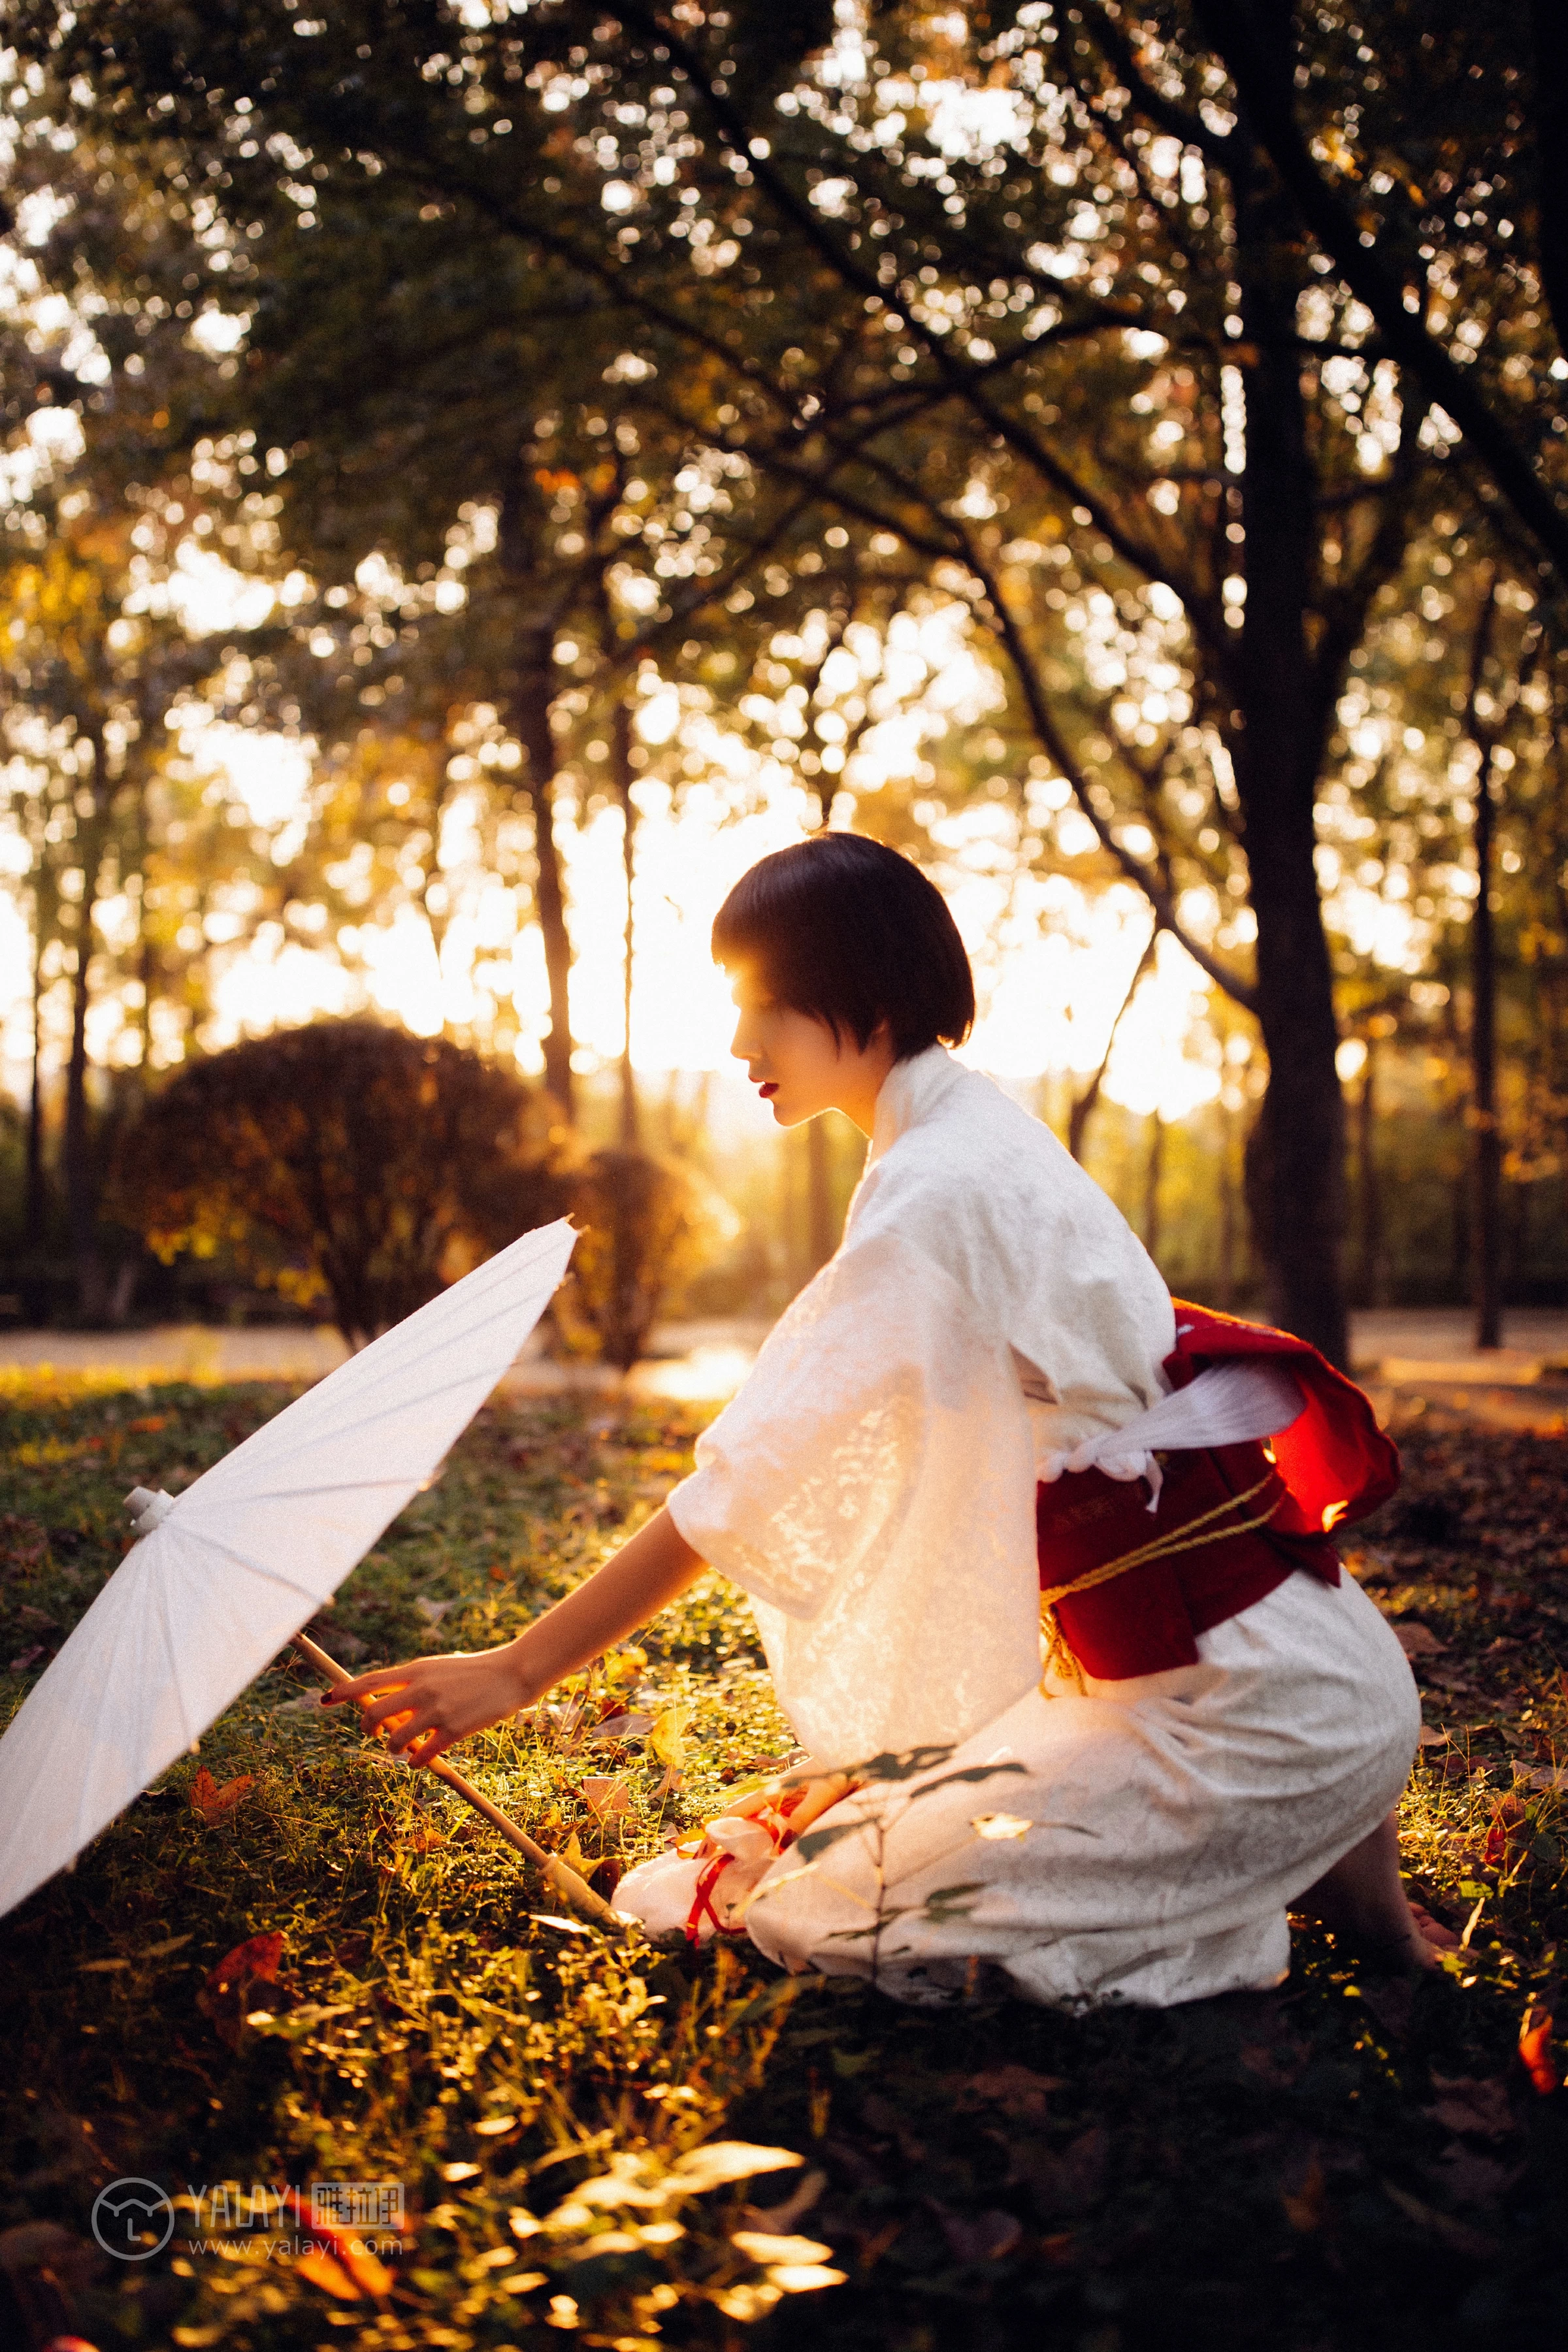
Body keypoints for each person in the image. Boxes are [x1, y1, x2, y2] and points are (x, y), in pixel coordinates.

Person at [329, 834, 1438, 2006]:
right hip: (1305, 1686)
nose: (740, 1046)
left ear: (872, 991)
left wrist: (518, 1668)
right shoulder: (968, 1132)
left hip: (1257, 1721)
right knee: (852, 1849)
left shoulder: (935, 1190)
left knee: (823, 1909)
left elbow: (747, 1482)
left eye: (765, 1009)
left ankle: (1267, 1876)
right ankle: (1309, 1878)